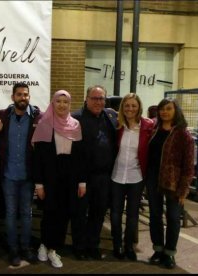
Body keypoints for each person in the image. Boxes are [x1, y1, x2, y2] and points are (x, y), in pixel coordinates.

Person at [32, 90, 87, 268]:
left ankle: (54, 249)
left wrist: (82, 181)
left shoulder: (76, 125)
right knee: (49, 212)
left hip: (69, 176)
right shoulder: (44, 124)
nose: (62, 105)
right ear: (52, 103)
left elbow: (80, 157)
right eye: (58, 101)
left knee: (64, 214)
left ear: (70, 105)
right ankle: (44, 244)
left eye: (65, 102)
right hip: (50, 175)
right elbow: (38, 158)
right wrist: (39, 184)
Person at [146, 98, 195, 269]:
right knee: (154, 215)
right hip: (152, 179)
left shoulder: (183, 134)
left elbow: (189, 166)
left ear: (176, 111)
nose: (164, 112)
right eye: (162, 109)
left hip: (174, 183)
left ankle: (170, 253)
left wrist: (183, 190)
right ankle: (158, 249)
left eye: (168, 109)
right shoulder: (154, 129)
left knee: (173, 218)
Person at [0, 82, 42, 267]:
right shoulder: (3, 115)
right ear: (13, 97)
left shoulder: (38, 117)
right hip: (8, 175)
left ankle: (25, 248)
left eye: (26, 94)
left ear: (29, 97)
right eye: (19, 95)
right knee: (10, 213)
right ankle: (13, 250)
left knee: (26, 214)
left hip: (27, 176)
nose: (23, 97)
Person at [72, 84, 118, 260]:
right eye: (95, 98)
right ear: (86, 99)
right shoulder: (76, 118)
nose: (98, 102)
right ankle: (79, 247)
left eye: (101, 98)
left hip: (104, 177)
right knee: (80, 214)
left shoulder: (109, 117)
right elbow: (74, 153)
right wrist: (80, 179)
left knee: (98, 214)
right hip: (83, 177)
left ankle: (93, 245)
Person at [110, 93, 154, 261]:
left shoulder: (148, 126)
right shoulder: (117, 125)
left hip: (136, 176)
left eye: (133, 105)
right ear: (122, 108)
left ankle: (129, 246)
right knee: (115, 213)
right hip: (117, 176)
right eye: (127, 105)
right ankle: (117, 244)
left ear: (139, 107)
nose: (130, 109)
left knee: (132, 214)